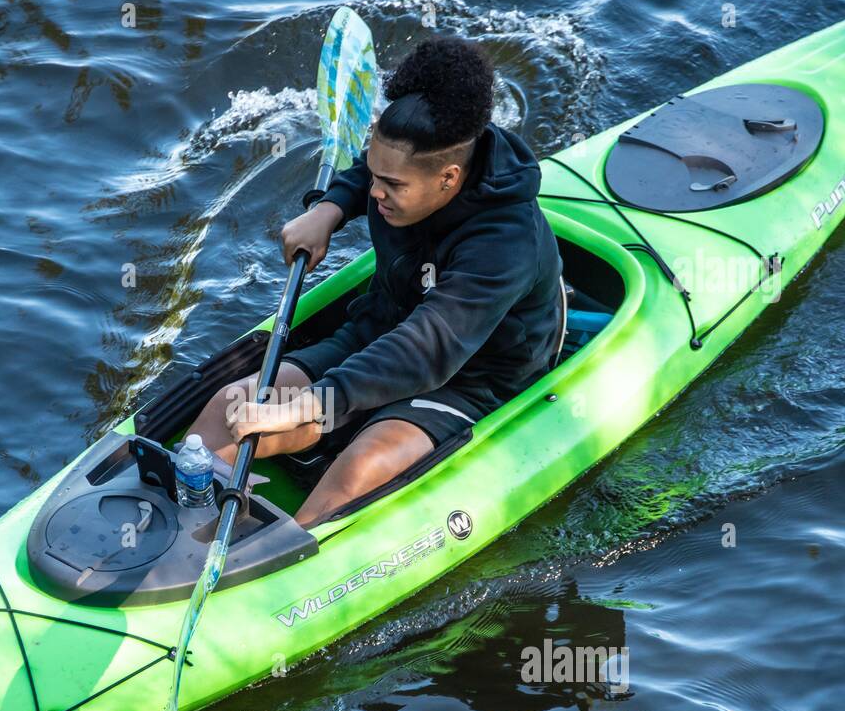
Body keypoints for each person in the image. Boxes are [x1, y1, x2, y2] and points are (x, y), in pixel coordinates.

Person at [184, 36, 566, 528]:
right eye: (375, 176)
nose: (376, 192)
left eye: (393, 186)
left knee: (360, 466)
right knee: (229, 406)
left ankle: (278, 564)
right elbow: (371, 169)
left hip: (470, 378)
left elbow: (427, 348)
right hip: (379, 331)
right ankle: (179, 519)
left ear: (449, 178)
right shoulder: (403, 166)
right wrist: (330, 207)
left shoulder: (506, 243)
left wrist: (313, 404)